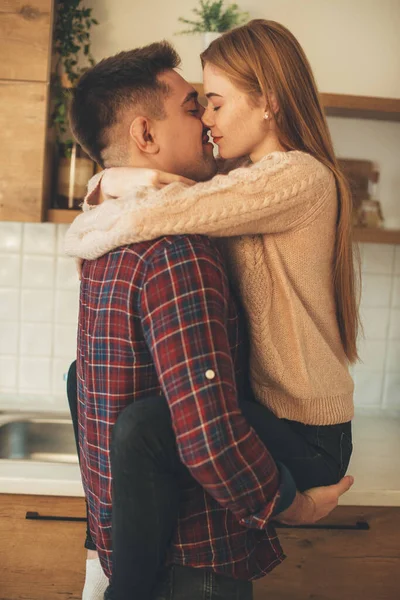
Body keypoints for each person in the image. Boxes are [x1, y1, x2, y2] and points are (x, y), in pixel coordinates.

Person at [65, 35, 354, 600]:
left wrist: (108, 186)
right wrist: (114, 184)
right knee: (83, 380)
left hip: (304, 430)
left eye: (214, 103)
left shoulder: (298, 177)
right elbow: (170, 205)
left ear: (268, 100)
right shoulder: (238, 184)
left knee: (148, 426)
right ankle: (110, 564)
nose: (209, 122)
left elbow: (167, 210)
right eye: (200, 108)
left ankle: (119, 581)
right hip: (264, 412)